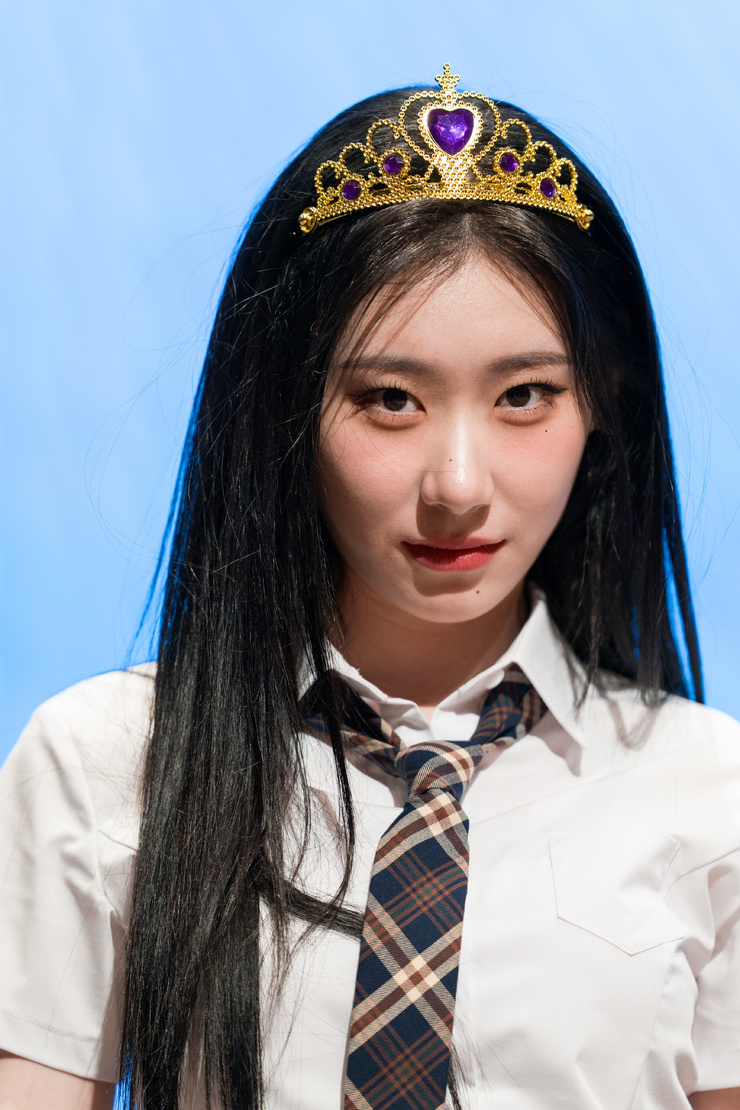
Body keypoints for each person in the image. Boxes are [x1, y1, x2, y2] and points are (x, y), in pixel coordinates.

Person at [0, 65, 739, 1110]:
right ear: (285, 413)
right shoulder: (109, 761)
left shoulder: (711, 792)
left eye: (525, 395)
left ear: (602, 405)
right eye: (390, 399)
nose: (458, 487)